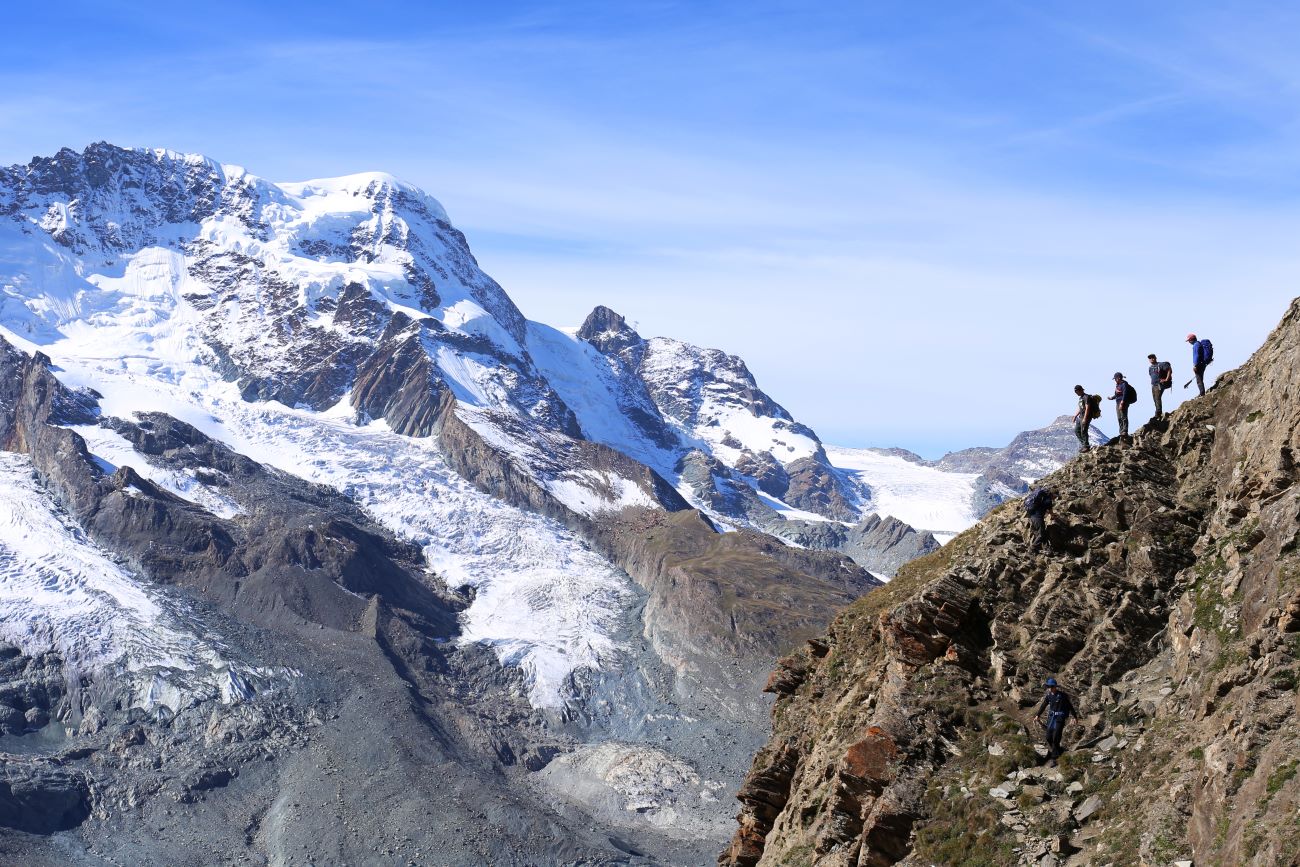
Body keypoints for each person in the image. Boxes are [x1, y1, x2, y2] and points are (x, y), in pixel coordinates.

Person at [1033, 677, 1080, 765]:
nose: (1050, 688)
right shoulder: (1049, 695)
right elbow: (1043, 705)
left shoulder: (1062, 696)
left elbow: (1070, 706)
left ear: (1055, 686)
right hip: (1051, 719)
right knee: (1048, 737)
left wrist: (1074, 717)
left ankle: (1055, 758)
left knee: (1055, 737)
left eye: (1052, 687)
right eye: (1048, 687)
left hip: (1060, 719)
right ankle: (1058, 750)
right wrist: (1037, 715)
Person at [1024, 487, 1054, 553]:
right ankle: (1033, 548)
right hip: (1037, 517)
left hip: (1031, 515)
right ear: (1052, 494)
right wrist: (1053, 516)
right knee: (1041, 533)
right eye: (1055, 496)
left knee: (1040, 532)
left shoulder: (1042, 498)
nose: (1055, 498)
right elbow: (1051, 512)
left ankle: (1046, 548)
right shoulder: (1048, 500)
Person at [1106, 372, 1132, 439]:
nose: (1115, 380)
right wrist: (1112, 397)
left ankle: (1125, 431)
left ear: (1118, 378)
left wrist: (1122, 403)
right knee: (1119, 418)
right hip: (1117, 403)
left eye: (1115, 378)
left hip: (1123, 403)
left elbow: (1125, 394)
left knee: (1124, 417)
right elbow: (1117, 394)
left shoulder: (1124, 384)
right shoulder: (1118, 385)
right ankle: (1121, 432)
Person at [1147, 354, 1172, 421]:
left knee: (1157, 398)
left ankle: (1158, 413)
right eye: (1150, 358)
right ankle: (1158, 412)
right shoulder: (1150, 368)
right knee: (1155, 399)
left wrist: (1166, 379)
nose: (1151, 359)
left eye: (1153, 358)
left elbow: (1169, 369)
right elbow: (1151, 375)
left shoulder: (1160, 364)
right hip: (1153, 385)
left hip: (1159, 384)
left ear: (1155, 358)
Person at [1072, 385, 1095, 452]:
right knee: (1077, 430)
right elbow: (1080, 408)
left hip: (1086, 417)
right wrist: (1075, 416)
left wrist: (1085, 418)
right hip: (1080, 417)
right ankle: (1084, 445)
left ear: (1080, 390)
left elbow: (1087, 408)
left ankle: (1086, 447)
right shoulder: (1081, 398)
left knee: (1084, 431)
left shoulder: (1086, 397)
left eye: (1076, 392)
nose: (1076, 393)